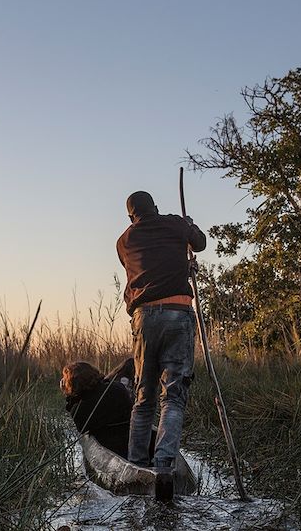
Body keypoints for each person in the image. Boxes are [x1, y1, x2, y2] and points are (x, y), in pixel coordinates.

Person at [116, 190, 206, 468]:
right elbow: (200, 242)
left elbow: (149, 268)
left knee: (144, 396)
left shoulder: (124, 241)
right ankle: (164, 465)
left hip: (144, 318)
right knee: (174, 395)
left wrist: (182, 258)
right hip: (178, 314)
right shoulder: (175, 224)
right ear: (155, 207)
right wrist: (188, 225)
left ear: (131, 216)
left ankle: (136, 464)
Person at [61, 361, 132, 458]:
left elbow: (81, 427)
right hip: (132, 443)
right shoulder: (117, 387)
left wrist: (69, 396)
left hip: (114, 450)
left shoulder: (80, 408)